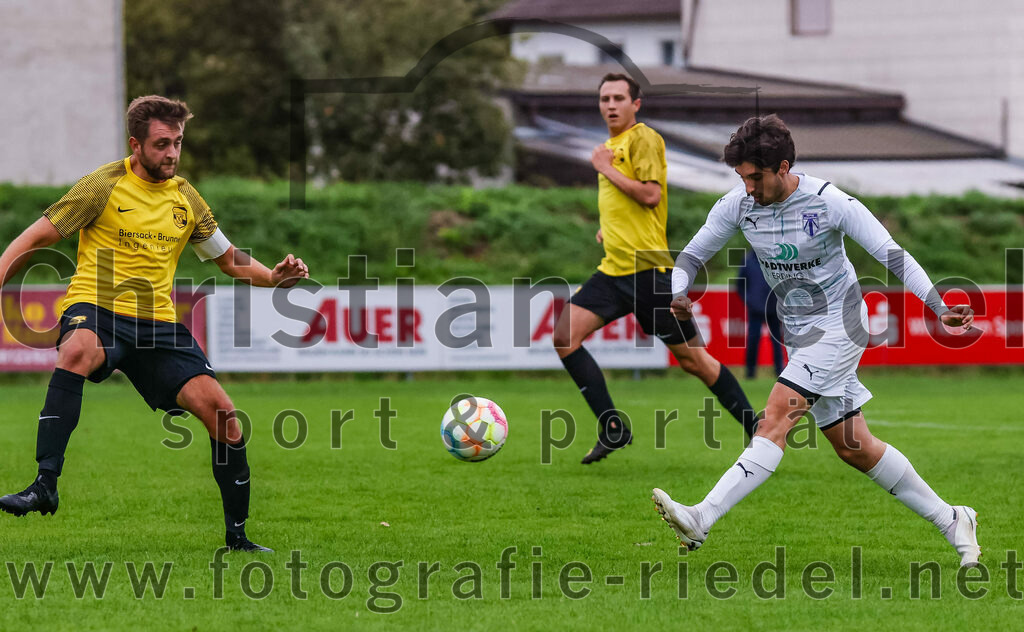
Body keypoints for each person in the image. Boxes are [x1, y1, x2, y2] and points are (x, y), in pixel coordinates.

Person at [652, 114, 980, 566]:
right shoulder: (738, 205)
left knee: (775, 418)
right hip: (800, 332)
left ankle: (702, 517)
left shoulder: (831, 203)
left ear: (783, 167)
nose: (747, 187)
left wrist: (938, 305)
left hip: (842, 323)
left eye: (755, 177)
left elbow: (891, 255)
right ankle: (953, 518)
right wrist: (677, 292)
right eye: (741, 178)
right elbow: (691, 254)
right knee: (853, 445)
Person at [0, 95, 309, 552]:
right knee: (77, 350)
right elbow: (36, 235)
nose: (172, 153)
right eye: (162, 143)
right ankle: (45, 482)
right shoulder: (101, 187)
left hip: (157, 324)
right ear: (136, 143)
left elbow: (227, 259)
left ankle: (238, 538)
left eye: (178, 142)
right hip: (96, 307)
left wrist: (272, 277)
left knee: (225, 417)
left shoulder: (186, 199)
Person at [554, 73, 759, 465]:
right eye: (604, 98)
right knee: (565, 336)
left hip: (648, 272)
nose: (610, 105)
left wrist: (605, 169)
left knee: (694, 361)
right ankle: (613, 427)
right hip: (614, 270)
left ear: (636, 104)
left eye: (618, 97)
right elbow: (628, 206)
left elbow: (651, 195)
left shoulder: (642, 139)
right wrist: (608, 230)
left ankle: (757, 430)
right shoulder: (611, 146)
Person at [736, 249, 784, 378]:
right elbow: (740, 285)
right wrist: (749, 300)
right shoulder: (748, 260)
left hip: (774, 308)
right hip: (755, 309)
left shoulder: (776, 258)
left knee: (776, 342)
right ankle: (750, 373)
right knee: (753, 341)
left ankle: (780, 372)